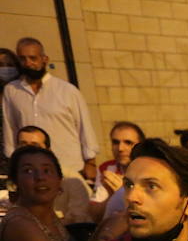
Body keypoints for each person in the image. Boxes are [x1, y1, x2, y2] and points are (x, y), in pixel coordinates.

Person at [2, 38, 99, 180]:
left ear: (44, 59)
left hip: (69, 168)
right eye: (23, 59)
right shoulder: (12, 91)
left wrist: (90, 163)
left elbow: (84, 128)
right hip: (32, 171)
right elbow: (10, 129)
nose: (28, 63)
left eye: (33, 58)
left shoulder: (67, 91)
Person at [0, 144, 87, 241]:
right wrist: (110, 234)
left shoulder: (48, 216)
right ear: (15, 182)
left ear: (59, 181)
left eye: (47, 170)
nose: (40, 177)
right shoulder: (20, 223)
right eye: (28, 171)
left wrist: (105, 229)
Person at [14, 123, 99, 227]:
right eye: (23, 145)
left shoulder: (71, 179)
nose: (28, 151)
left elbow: (79, 219)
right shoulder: (13, 180)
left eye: (35, 146)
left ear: (48, 151)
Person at [93, 121, 146, 202]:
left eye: (128, 143)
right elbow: (94, 210)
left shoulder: (153, 169)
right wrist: (111, 196)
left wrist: (123, 192)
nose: (120, 148)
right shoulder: (106, 168)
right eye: (115, 142)